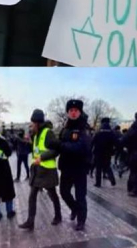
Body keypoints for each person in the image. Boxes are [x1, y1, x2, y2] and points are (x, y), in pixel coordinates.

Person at [19, 111, 62, 230]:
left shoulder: (48, 133)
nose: (31, 125)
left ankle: (58, 215)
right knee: (32, 195)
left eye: (32, 123)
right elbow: (36, 151)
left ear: (37, 122)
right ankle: (30, 221)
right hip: (37, 170)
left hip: (47, 170)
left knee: (52, 194)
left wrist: (42, 157)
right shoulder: (36, 134)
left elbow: (57, 149)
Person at [58, 99, 91, 231]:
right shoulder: (65, 128)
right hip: (66, 167)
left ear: (80, 112)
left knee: (80, 195)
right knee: (64, 192)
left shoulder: (84, 127)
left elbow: (82, 147)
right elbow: (59, 144)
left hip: (80, 167)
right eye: (71, 110)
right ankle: (75, 209)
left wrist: (61, 146)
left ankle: (81, 220)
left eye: (76, 110)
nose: (73, 113)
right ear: (67, 112)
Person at [92, 118, 117, 187]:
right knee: (107, 166)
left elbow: (92, 141)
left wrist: (90, 150)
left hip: (98, 152)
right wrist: (113, 151)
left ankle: (98, 183)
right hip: (108, 152)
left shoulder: (98, 131)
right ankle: (112, 180)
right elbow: (116, 142)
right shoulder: (111, 132)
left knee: (98, 168)